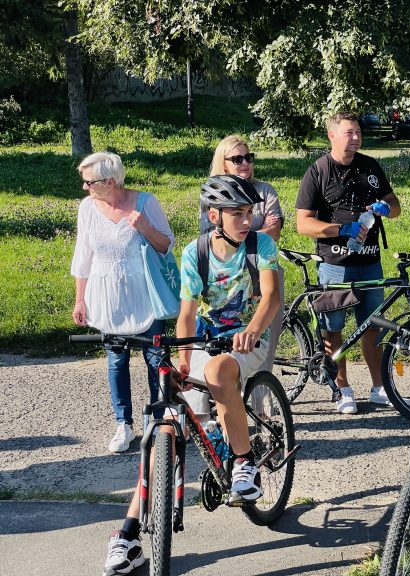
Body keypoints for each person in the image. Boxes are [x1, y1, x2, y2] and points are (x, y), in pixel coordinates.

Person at [101, 175, 281, 576]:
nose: (246, 220)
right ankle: (128, 535)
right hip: (207, 336)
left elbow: (270, 296)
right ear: (214, 216)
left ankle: (244, 462)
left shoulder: (260, 245)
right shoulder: (194, 252)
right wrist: (182, 359)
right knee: (167, 420)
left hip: (250, 338)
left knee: (218, 371)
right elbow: (186, 312)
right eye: (237, 213)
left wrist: (252, 329)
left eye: (249, 212)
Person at [296, 111, 401, 415]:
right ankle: (342, 387)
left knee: (373, 328)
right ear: (332, 136)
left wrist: (387, 207)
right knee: (334, 329)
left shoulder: (370, 166)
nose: (355, 138)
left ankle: (379, 386)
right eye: (349, 133)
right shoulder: (318, 171)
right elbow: (303, 223)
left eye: (357, 132)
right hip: (335, 265)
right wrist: (339, 230)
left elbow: (395, 206)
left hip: (370, 264)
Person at [71, 151, 174, 453]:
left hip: (144, 292)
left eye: (90, 183)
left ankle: (158, 421)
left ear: (111, 181)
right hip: (106, 294)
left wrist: (145, 228)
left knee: (156, 357)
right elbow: (83, 256)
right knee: (116, 359)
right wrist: (80, 298)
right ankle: (123, 424)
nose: (85, 188)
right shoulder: (87, 208)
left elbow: (166, 245)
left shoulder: (146, 202)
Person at [205, 135, 285, 372]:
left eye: (248, 157)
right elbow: (212, 235)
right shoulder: (212, 192)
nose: (245, 163)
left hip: (263, 269)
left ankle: (263, 403)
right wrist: (260, 231)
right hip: (225, 276)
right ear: (223, 162)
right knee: (226, 347)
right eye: (237, 158)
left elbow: (275, 231)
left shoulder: (264, 190)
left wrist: (240, 233)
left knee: (263, 343)